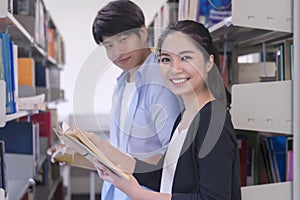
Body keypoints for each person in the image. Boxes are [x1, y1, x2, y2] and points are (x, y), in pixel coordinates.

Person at [93, 20, 242, 200]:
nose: (174, 69)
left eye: (186, 57)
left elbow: (214, 198)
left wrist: (138, 193)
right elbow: (166, 176)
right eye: (166, 59)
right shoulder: (185, 116)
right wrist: (109, 158)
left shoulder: (213, 120)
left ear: (208, 62)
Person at [48, 0, 181, 200]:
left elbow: (170, 159)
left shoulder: (162, 83)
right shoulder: (122, 81)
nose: (117, 52)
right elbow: (118, 155)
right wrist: (75, 154)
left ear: (143, 33)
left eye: (123, 39)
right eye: (109, 45)